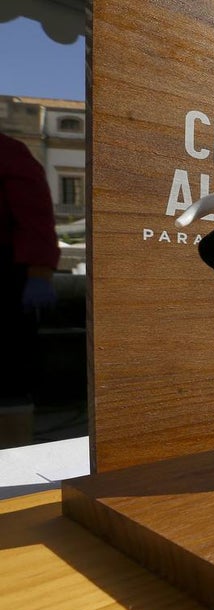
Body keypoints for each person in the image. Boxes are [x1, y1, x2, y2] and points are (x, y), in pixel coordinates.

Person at [1, 132, 60, 448]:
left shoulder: (9, 152)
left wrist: (39, 272)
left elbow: (34, 217)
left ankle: (12, 463)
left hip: (8, 278)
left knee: (10, 383)